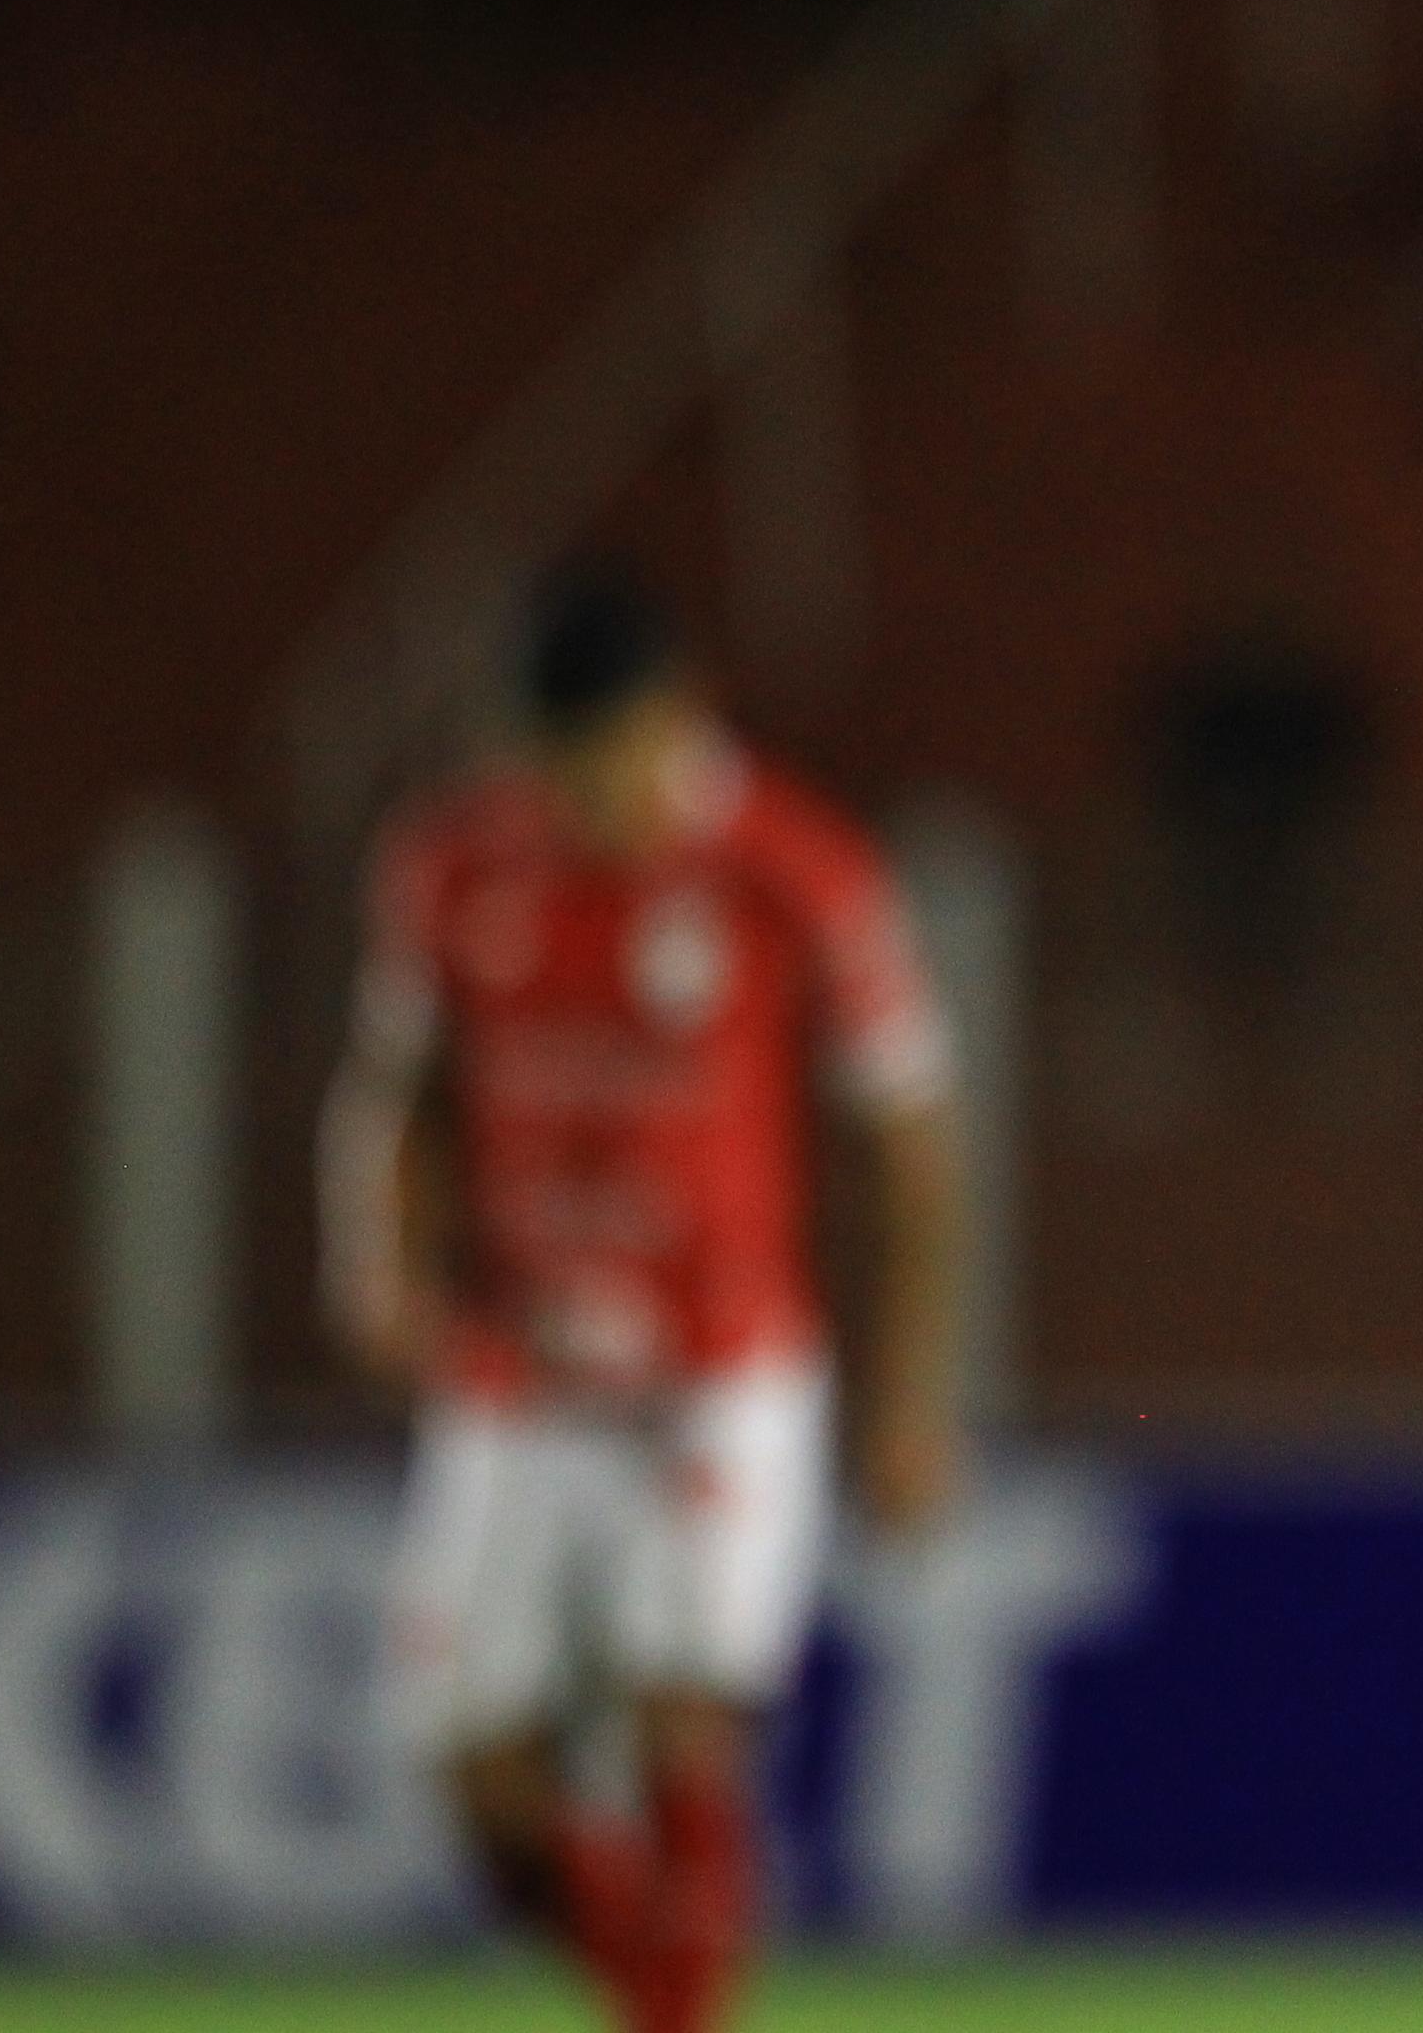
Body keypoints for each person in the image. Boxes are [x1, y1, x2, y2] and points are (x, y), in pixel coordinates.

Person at [319, 565, 962, 2033]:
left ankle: (676, 2015)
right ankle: (653, 1996)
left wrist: (913, 1406)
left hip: (719, 1373)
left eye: (596, 755)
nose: (574, 792)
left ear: (677, 718)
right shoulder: (454, 866)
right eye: (548, 760)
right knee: (479, 1776)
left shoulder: (796, 869)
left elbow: (918, 1148)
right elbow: (398, 1094)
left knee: (688, 1718)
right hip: (518, 1374)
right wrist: (381, 1260)